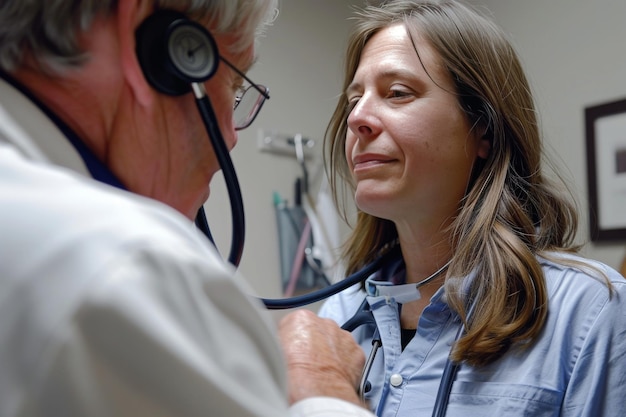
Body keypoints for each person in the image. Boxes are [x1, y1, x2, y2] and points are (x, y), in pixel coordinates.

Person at [0, 1, 375, 416]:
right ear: (159, 47)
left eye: (398, 93)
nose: (231, 137)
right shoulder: (124, 269)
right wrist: (319, 383)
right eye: (234, 87)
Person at [318, 0, 626, 416]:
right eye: (355, 98)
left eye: (397, 93)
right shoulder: (339, 316)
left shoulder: (588, 312)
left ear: (483, 128)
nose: (357, 118)